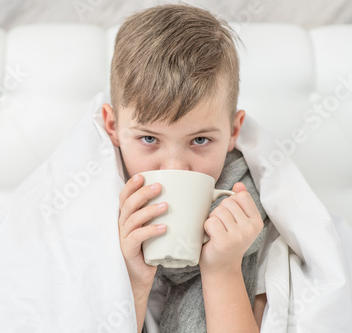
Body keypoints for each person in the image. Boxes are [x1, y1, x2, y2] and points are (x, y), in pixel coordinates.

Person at [102, 4, 270, 333]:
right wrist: (134, 283)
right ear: (113, 127)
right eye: (149, 138)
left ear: (234, 132)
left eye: (200, 140)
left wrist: (223, 269)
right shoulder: (91, 195)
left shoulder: (251, 218)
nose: (176, 166)